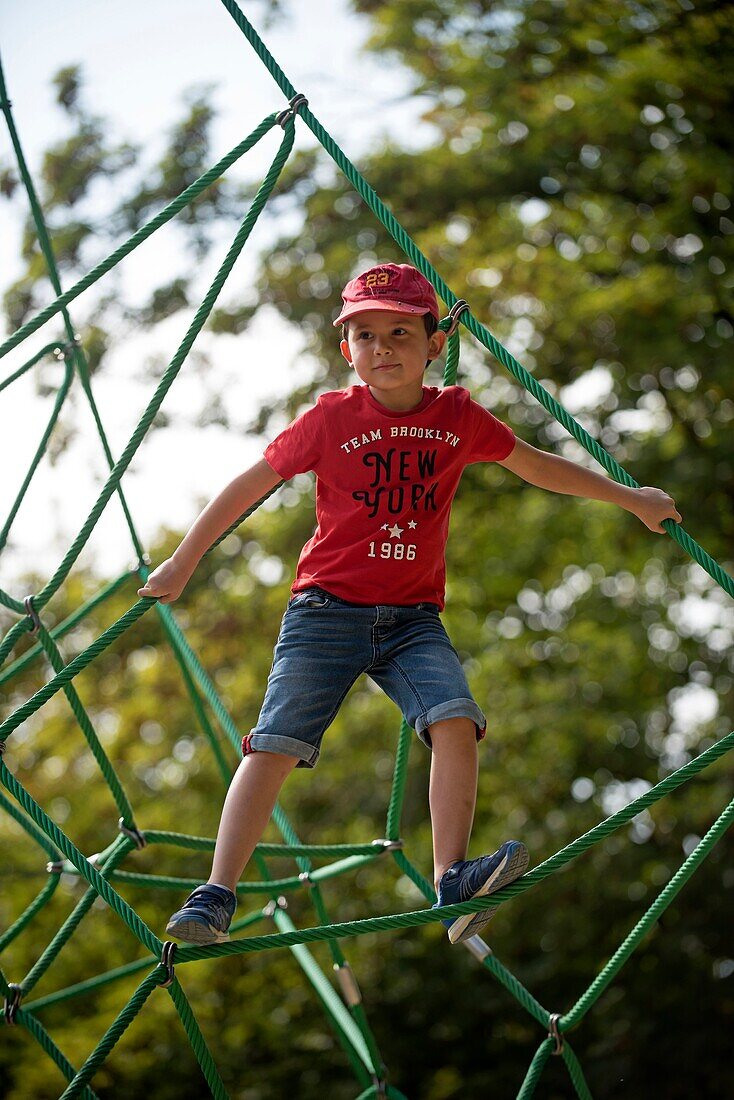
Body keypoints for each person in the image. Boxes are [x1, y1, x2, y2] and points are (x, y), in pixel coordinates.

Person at [139, 262, 681, 947]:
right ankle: (215, 892)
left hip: (412, 621)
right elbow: (249, 484)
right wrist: (184, 560)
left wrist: (632, 499)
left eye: (400, 331)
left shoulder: (456, 416)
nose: (383, 348)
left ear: (435, 344)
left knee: (456, 717)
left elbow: (539, 464)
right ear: (347, 350)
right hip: (325, 612)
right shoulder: (331, 418)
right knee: (275, 743)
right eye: (365, 335)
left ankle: (452, 880)